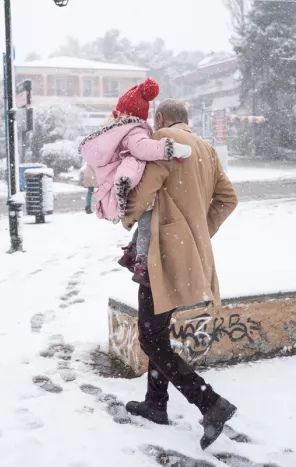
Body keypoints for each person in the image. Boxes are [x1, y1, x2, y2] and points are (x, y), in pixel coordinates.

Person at [121, 99, 239, 450]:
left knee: (149, 338)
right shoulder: (206, 148)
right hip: (186, 258)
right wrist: (197, 232)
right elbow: (228, 198)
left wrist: (122, 213)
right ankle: (156, 404)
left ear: (160, 119)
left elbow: (142, 196)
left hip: (160, 258)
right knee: (158, 334)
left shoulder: (165, 144)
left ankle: (210, 403)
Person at [79, 78, 192, 285]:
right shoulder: (135, 131)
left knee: (146, 220)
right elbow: (143, 149)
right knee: (148, 219)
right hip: (130, 184)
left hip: (124, 183)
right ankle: (142, 261)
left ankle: (132, 252)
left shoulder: (117, 130)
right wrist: (170, 148)